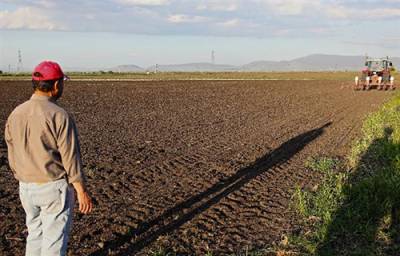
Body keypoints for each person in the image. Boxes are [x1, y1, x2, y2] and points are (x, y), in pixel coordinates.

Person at [4, 60, 93, 256]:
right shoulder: (59, 115)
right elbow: (70, 157)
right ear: (55, 86)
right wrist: (81, 190)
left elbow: (11, 149)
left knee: (35, 234)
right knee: (53, 241)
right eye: (62, 82)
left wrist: (21, 175)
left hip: (26, 187)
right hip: (52, 187)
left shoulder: (16, 114)